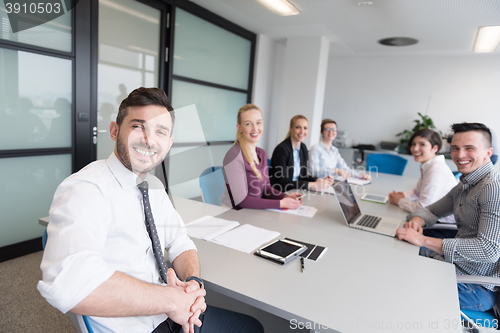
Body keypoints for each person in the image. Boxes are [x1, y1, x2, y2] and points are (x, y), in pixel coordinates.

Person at [38, 88, 264, 333]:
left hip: (174, 313)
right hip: (138, 326)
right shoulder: (87, 188)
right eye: (138, 126)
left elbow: (180, 242)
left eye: (160, 131)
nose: (149, 139)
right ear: (115, 131)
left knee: (251, 327)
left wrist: (192, 283)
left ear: (169, 143)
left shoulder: (153, 186)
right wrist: (172, 300)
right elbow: (68, 282)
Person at [396, 122, 500, 312]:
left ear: (488, 152)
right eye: (455, 148)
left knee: (399, 287)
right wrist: (417, 221)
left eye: (469, 148)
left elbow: (489, 250)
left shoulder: (492, 188)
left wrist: (422, 240)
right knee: (395, 259)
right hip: (452, 267)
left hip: (474, 287)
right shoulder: (466, 183)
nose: (460, 155)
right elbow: (432, 210)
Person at [222, 104, 303, 210]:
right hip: (234, 214)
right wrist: (281, 203)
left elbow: (266, 188)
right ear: (239, 127)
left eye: (258, 123)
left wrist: (285, 196)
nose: (255, 128)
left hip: (252, 212)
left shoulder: (261, 154)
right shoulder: (233, 156)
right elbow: (242, 201)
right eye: (248, 124)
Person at [388, 129, 458, 238]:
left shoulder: (436, 170)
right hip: (433, 221)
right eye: (413, 144)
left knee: (393, 231)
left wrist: (400, 201)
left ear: (435, 148)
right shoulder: (428, 165)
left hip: (441, 227)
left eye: (422, 144)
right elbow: (416, 192)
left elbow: (422, 209)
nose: (415, 149)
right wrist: (403, 195)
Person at [269, 115, 333, 192]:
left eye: (305, 128)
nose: (302, 132)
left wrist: (320, 180)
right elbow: (284, 182)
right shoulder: (281, 150)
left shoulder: (303, 148)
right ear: (290, 129)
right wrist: (311, 184)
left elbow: (303, 176)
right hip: (281, 192)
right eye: (298, 127)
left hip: (296, 190)